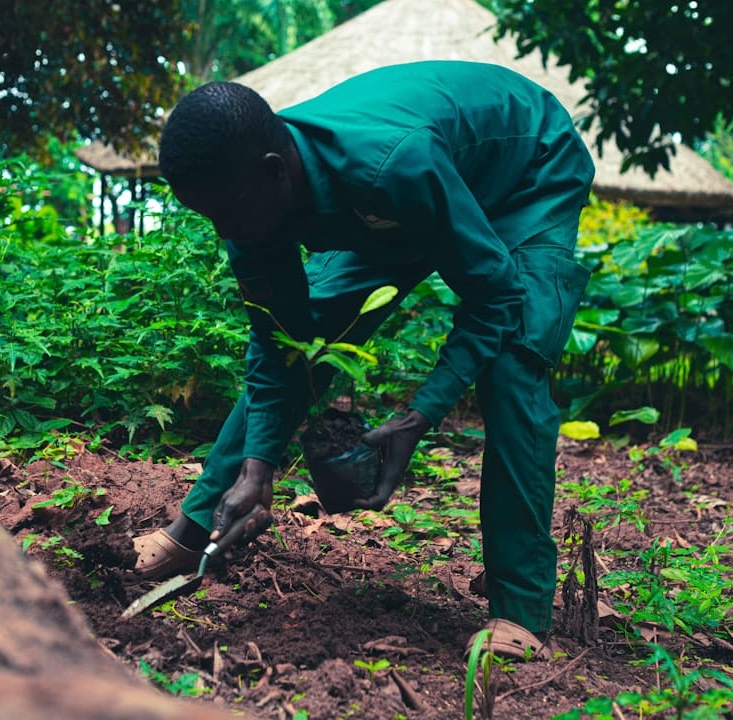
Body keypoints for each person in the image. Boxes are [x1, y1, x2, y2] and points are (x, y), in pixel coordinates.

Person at [130, 61, 594, 660]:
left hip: (524, 171)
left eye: (228, 214)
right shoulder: (246, 195)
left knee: (511, 364)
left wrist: (419, 415)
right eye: (210, 216)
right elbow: (280, 345)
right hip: (399, 208)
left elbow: (497, 296)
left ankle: (522, 610)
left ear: (276, 174)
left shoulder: (394, 165)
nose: (225, 231)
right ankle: (196, 532)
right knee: (310, 340)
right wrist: (257, 466)